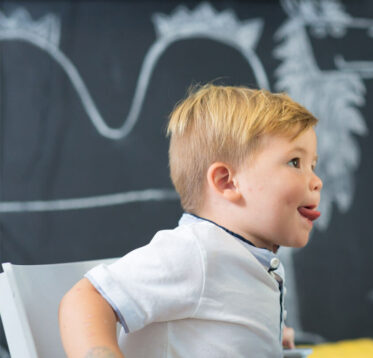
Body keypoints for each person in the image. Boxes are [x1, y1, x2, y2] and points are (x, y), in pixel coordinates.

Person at [58, 84, 323, 358]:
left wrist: (264, 335)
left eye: (313, 165)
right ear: (227, 182)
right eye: (295, 162)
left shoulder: (248, 259)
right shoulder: (196, 251)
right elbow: (86, 298)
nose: (317, 182)